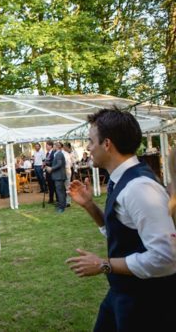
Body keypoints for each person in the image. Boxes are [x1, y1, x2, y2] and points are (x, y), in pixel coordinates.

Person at [66, 108, 176, 331]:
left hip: (148, 305)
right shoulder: (124, 179)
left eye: (90, 141)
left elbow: (166, 258)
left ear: (107, 144)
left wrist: (104, 264)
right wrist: (89, 206)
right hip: (123, 294)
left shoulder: (139, 188)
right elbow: (124, 231)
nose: (88, 148)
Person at [46, 141, 68, 213]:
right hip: (58, 176)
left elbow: (59, 164)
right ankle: (62, 205)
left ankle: (61, 207)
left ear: (57, 146)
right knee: (61, 191)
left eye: (54, 146)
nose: (53, 147)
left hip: (59, 176)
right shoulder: (57, 154)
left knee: (60, 192)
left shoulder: (59, 154)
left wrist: (51, 168)